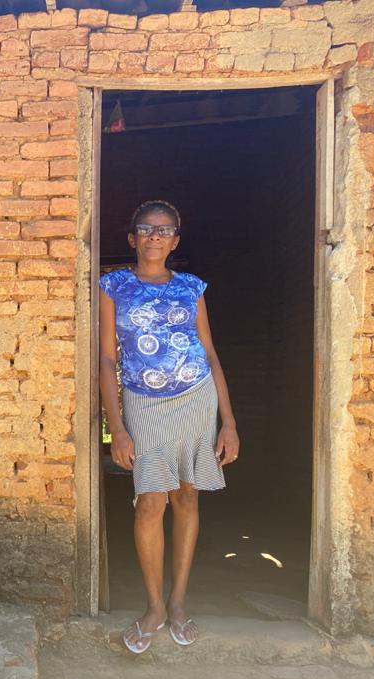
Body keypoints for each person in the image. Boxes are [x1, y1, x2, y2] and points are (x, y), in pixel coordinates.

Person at [99, 200, 240, 654]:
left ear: (175, 241)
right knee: (149, 502)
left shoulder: (192, 288)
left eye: (164, 231)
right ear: (132, 238)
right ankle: (154, 607)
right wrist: (117, 427)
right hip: (144, 402)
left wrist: (229, 422)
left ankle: (178, 602)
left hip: (197, 399)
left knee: (186, 496)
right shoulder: (113, 286)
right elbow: (107, 359)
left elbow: (210, 354)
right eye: (146, 229)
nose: (154, 236)